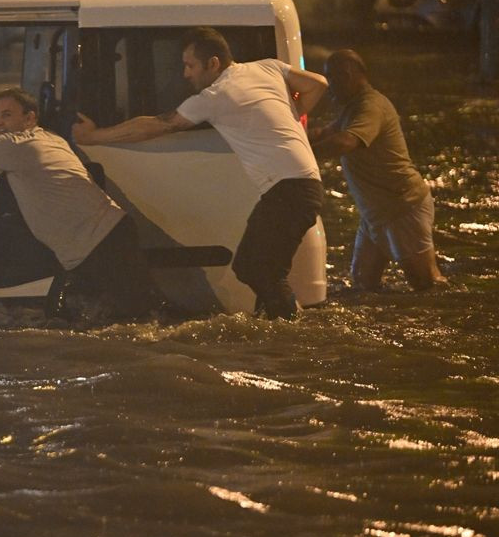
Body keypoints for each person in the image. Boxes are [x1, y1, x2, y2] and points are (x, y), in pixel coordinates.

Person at [72, 26, 328, 320]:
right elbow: (318, 83)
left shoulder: (216, 94)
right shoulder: (267, 68)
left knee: (255, 267)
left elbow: (160, 124)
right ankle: (278, 320)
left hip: (289, 189)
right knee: (261, 266)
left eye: (190, 65)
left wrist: (95, 137)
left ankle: (291, 330)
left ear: (214, 63)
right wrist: (294, 116)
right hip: (301, 184)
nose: (185, 74)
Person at [0, 86, 157, 319]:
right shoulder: (45, 138)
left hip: (100, 245)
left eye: (7, 115)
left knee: (142, 321)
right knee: (81, 318)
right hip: (101, 239)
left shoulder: (21, 147)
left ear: (30, 118)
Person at [310, 49, 446, 291]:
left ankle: (460, 315)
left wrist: (304, 154)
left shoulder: (371, 106)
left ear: (347, 75)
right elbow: (325, 134)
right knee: (363, 283)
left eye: (331, 78)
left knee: (427, 285)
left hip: (401, 207)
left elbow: (346, 142)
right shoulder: (353, 107)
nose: (328, 87)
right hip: (376, 212)